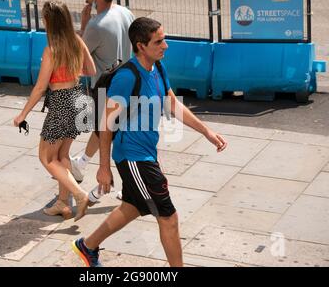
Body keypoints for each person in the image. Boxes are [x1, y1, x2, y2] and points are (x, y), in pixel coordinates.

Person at [72, 17, 228, 267]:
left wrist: (206, 132)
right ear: (140, 45)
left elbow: (173, 104)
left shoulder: (158, 68)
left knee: (133, 206)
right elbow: (105, 123)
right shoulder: (126, 77)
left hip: (146, 153)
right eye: (159, 41)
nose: (165, 46)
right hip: (133, 157)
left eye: (164, 39)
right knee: (169, 217)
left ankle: (87, 246)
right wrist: (103, 167)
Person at [13, 1, 96, 222]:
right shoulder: (77, 41)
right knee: (62, 155)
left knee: (46, 157)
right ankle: (63, 203)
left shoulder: (51, 51)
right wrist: (72, 69)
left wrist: (23, 115)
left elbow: (40, 87)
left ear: (49, 22)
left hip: (61, 103)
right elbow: (91, 70)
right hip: (80, 99)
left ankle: (79, 195)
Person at [70, 0, 135, 186]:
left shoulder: (96, 25)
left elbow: (79, 57)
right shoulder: (125, 13)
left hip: (105, 86)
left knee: (109, 132)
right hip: (128, 81)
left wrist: (84, 26)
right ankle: (81, 162)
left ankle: (124, 182)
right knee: (105, 129)